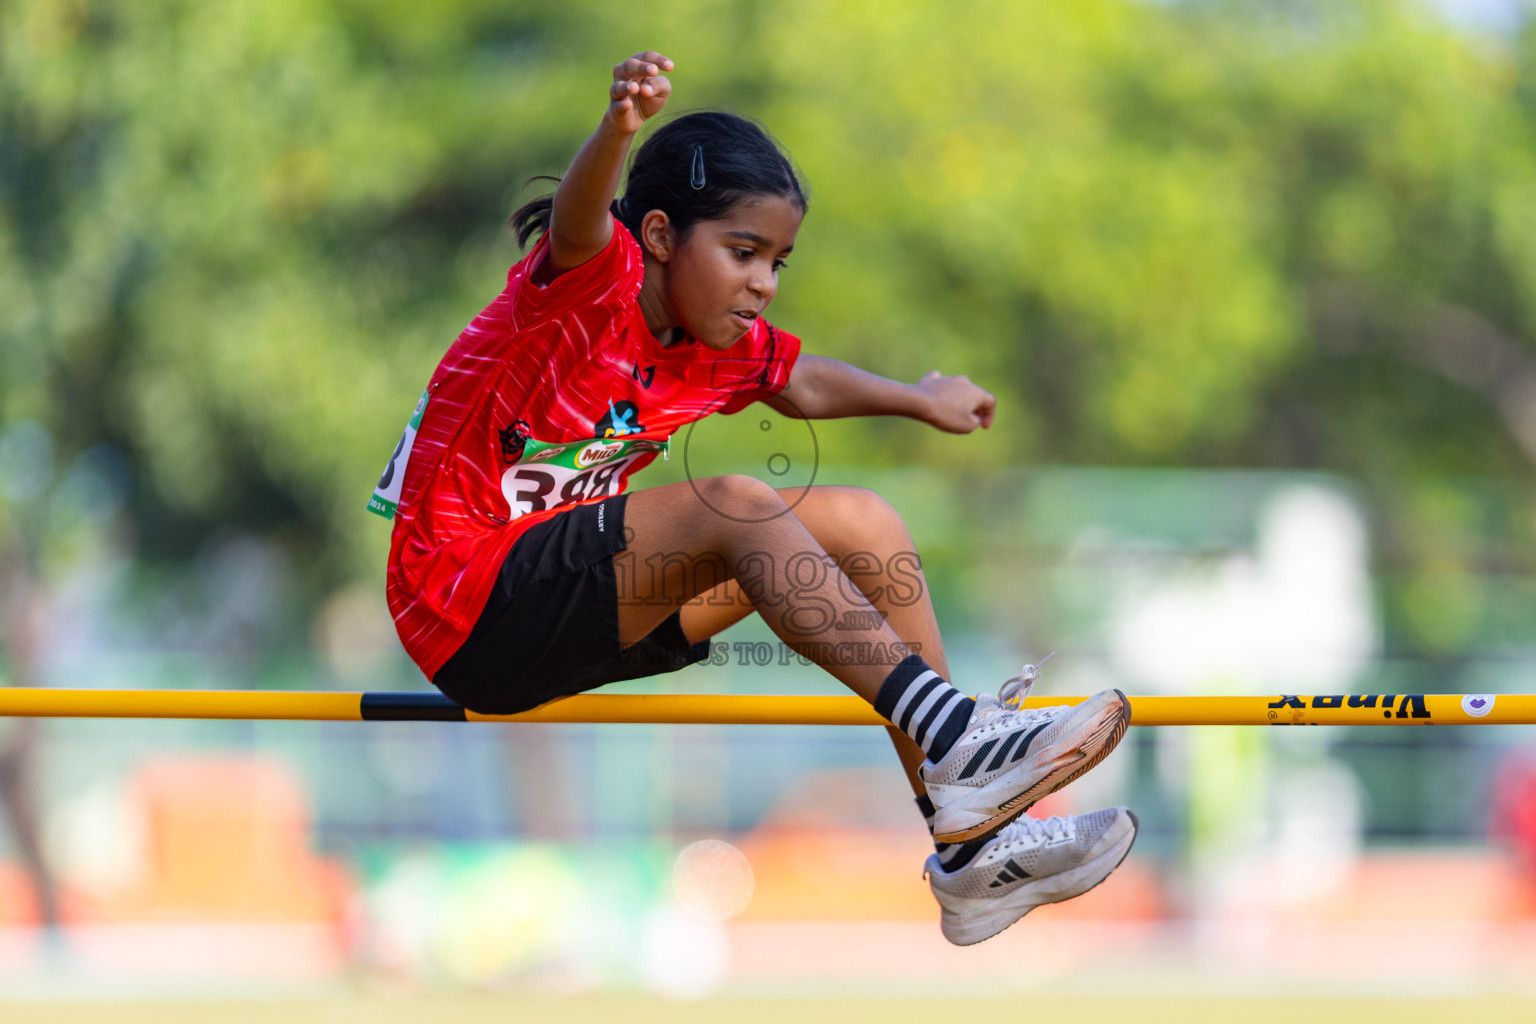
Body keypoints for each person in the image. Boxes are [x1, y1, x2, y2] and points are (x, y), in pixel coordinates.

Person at [375, 51, 1138, 945]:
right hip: (461, 600)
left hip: (566, 613)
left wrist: (918, 398)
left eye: (777, 261)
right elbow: (582, 222)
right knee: (735, 501)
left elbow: (804, 383)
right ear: (658, 237)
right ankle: (958, 740)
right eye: (743, 253)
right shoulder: (590, 287)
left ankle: (971, 854)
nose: (764, 284)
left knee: (862, 521)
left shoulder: (716, 345)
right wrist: (618, 129)